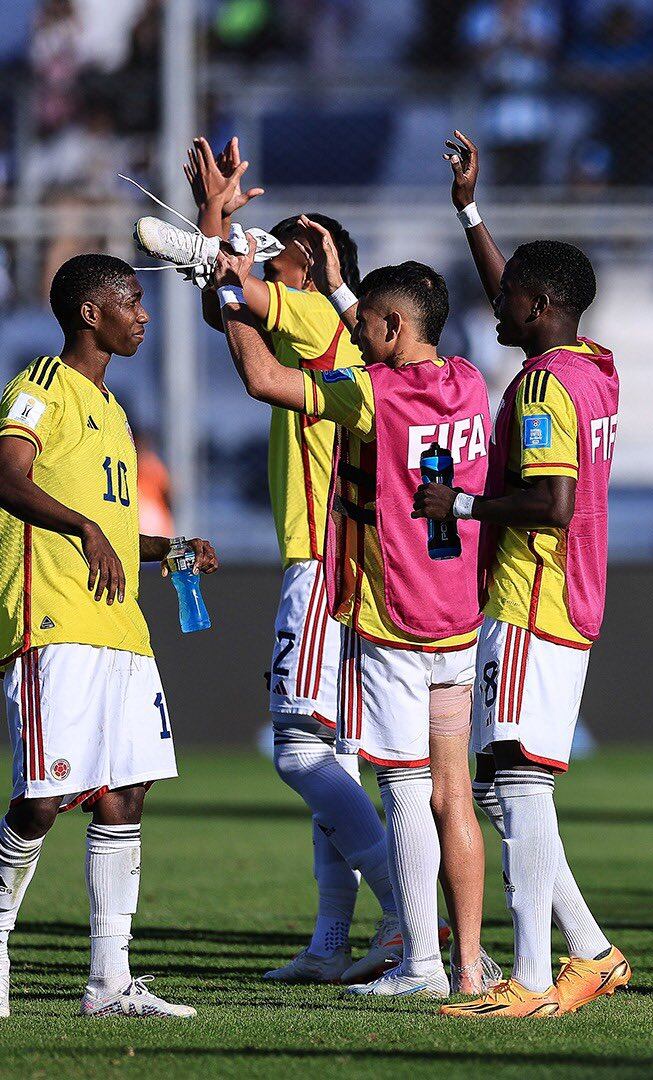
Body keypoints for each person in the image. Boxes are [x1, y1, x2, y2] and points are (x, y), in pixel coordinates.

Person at [213, 233, 496, 1001]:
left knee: (401, 792)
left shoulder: (371, 395)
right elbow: (396, 345)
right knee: (453, 796)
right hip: (458, 619)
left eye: (366, 323)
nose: (353, 332)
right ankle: (469, 964)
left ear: (391, 331)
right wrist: (347, 292)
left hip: (395, 620)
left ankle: (423, 962)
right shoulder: (468, 381)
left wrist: (231, 300)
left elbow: (266, 378)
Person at [413, 130, 630, 1019]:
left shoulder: (542, 389)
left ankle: (535, 980)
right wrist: (471, 209)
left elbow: (547, 504)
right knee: (512, 782)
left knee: (520, 781)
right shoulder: (591, 369)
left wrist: (457, 509)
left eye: (507, 298)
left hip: (534, 594)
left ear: (539, 305)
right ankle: (593, 952)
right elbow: (525, 291)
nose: (493, 303)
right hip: (570, 594)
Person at [181, 136, 405, 985]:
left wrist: (217, 222)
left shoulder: (311, 316)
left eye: (285, 253)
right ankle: (329, 941)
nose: (271, 263)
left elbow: (232, 301)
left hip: (321, 559)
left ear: (312, 265)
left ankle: (406, 915)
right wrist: (220, 229)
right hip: (345, 560)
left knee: (298, 751)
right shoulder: (331, 330)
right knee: (338, 759)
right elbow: (225, 306)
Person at [0, 253, 218, 1018]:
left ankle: (110, 983)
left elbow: (116, 530)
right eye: (131, 300)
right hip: (54, 618)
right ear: (90, 313)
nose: (144, 313)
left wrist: (169, 549)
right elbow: (6, 476)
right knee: (45, 795)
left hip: (121, 627)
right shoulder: (40, 384)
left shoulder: (117, 412)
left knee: (126, 793)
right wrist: (86, 524)